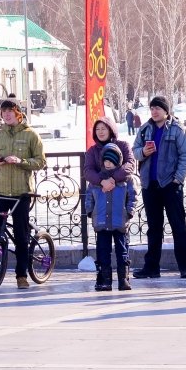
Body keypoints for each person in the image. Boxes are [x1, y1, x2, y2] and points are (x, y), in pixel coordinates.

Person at [0, 97, 47, 290]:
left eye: (9, 112)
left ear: (18, 114)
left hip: (21, 193)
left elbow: (40, 162)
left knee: (21, 235)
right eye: (3, 112)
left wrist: (20, 161)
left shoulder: (31, 135)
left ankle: (21, 275)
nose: (6, 115)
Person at [131, 95, 186, 279]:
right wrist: (143, 152)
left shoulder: (176, 129)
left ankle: (185, 267)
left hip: (170, 184)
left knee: (178, 226)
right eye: (152, 108)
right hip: (150, 185)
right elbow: (135, 150)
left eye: (158, 108)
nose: (154, 111)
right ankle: (152, 267)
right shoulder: (145, 129)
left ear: (166, 111)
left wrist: (178, 178)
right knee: (154, 228)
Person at [84, 116, 136, 289]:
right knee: (102, 248)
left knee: (122, 247)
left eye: (103, 128)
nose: (100, 132)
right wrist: (102, 181)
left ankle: (124, 278)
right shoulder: (92, 151)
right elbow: (88, 172)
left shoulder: (123, 145)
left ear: (111, 129)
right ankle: (104, 278)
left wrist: (112, 179)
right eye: (97, 129)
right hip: (101, 203)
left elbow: (129, 165)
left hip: (118, 208)